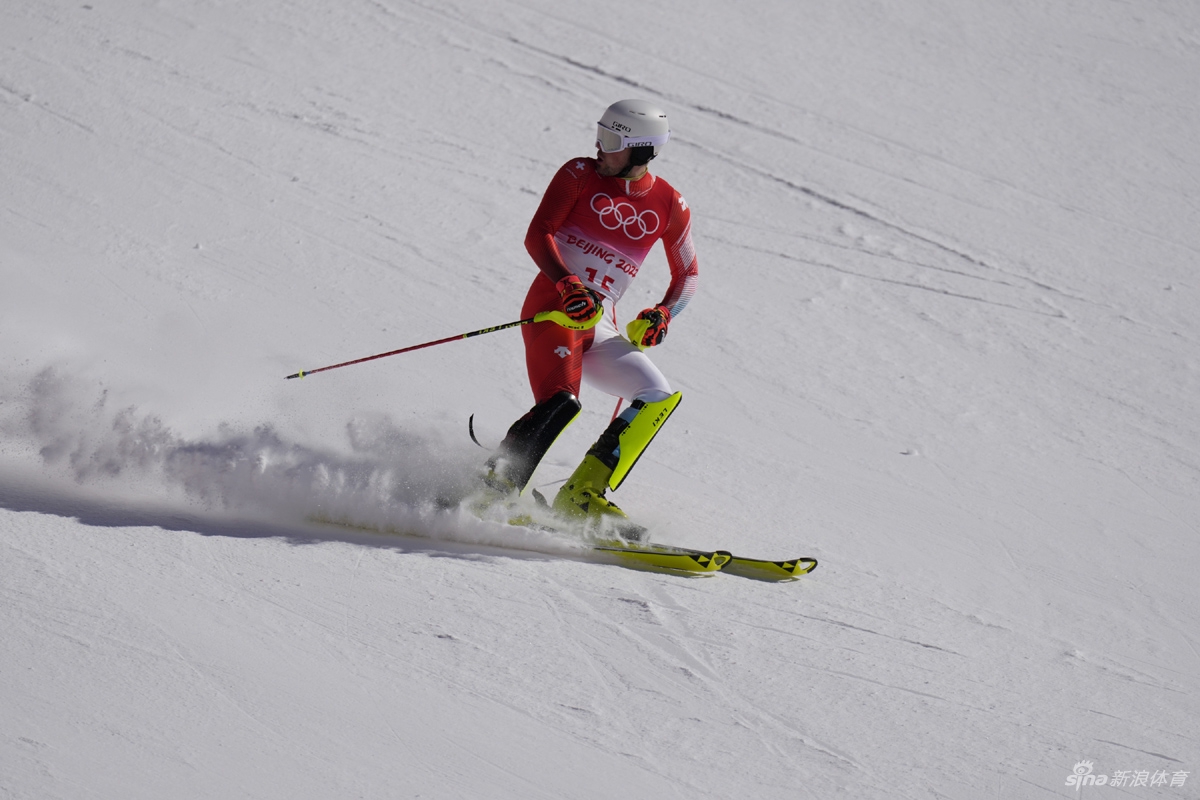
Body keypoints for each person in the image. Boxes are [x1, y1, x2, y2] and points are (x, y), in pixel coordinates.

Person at [481, 99, 698, 538]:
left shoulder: (669, 203)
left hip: (598, 321)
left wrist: (663, 313)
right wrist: (566, 283)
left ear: (641, 151)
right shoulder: (578, 174)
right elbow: (538, 232)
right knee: (563, 401)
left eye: (612, 141)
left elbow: (688, 273)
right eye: (600, 134)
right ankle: (495, 485)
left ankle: (582, 496)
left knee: (658, 394)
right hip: (554, 306)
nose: (600, 147)